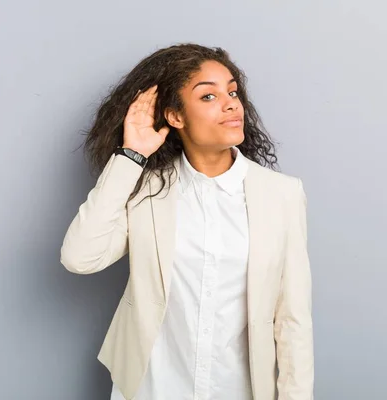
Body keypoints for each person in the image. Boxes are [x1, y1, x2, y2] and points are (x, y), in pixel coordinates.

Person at [60, 43, 314, 400]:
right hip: (151, 389)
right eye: (208, 96)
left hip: (237, 391)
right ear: (175, 117)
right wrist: (131, 156)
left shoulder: (281, 195)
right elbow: (80, 257)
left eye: (232, 91)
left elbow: (293, 320)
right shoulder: (146, 189)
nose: (230, 103)